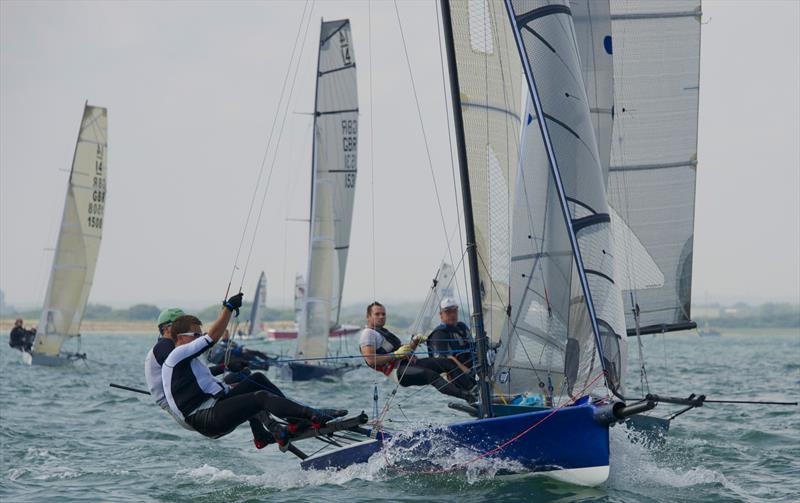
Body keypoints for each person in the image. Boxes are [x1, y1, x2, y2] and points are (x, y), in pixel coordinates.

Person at [162, 293, 346, 449]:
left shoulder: (189, 359)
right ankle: (311, 415)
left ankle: (285, 425)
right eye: (196, 335)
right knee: (260, 398)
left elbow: (206, 382)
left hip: (213, 406)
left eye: (199, 335)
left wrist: (229, 371)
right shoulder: (177, 354)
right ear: (180, 338)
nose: (199, 338)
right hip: (205, 418)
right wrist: (229, 308)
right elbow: (213, 336)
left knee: (256, 378)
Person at [359, 302, 476, 402]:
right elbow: (371, 360)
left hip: (409, 364)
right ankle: (469, 397)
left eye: (383, 314)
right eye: (377, 314)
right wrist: (395, 355)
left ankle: (473, 389)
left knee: (447, 363)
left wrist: (415, 342)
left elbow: (405, 352)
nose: (381, 316)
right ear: (368, 316)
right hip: (398, 372)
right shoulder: (368, 333)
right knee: (431, 375)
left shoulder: (383, 332)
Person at [427, 298, 474, 381]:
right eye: (448, 312)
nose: (452, 314)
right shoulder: (439, 333)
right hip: (457, 375)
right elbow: (445, 360)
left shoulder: (462, 327)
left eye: (454, 311)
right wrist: (467, 371)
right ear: (441, 315)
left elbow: (473, 345)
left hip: (473, 368)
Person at [207, 330, 273, 370]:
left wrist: (242, 348)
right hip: (236, 356)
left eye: (227, 334)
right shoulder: (222, 343)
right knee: (245, 360)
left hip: (240, 352)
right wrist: (240, 350)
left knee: (256, 352)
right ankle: (261, 364)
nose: (226, 335)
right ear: (223, 335)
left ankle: (268, 360)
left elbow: (238, 346)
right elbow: (230, 350)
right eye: (225, 334)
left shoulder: (231, 342)